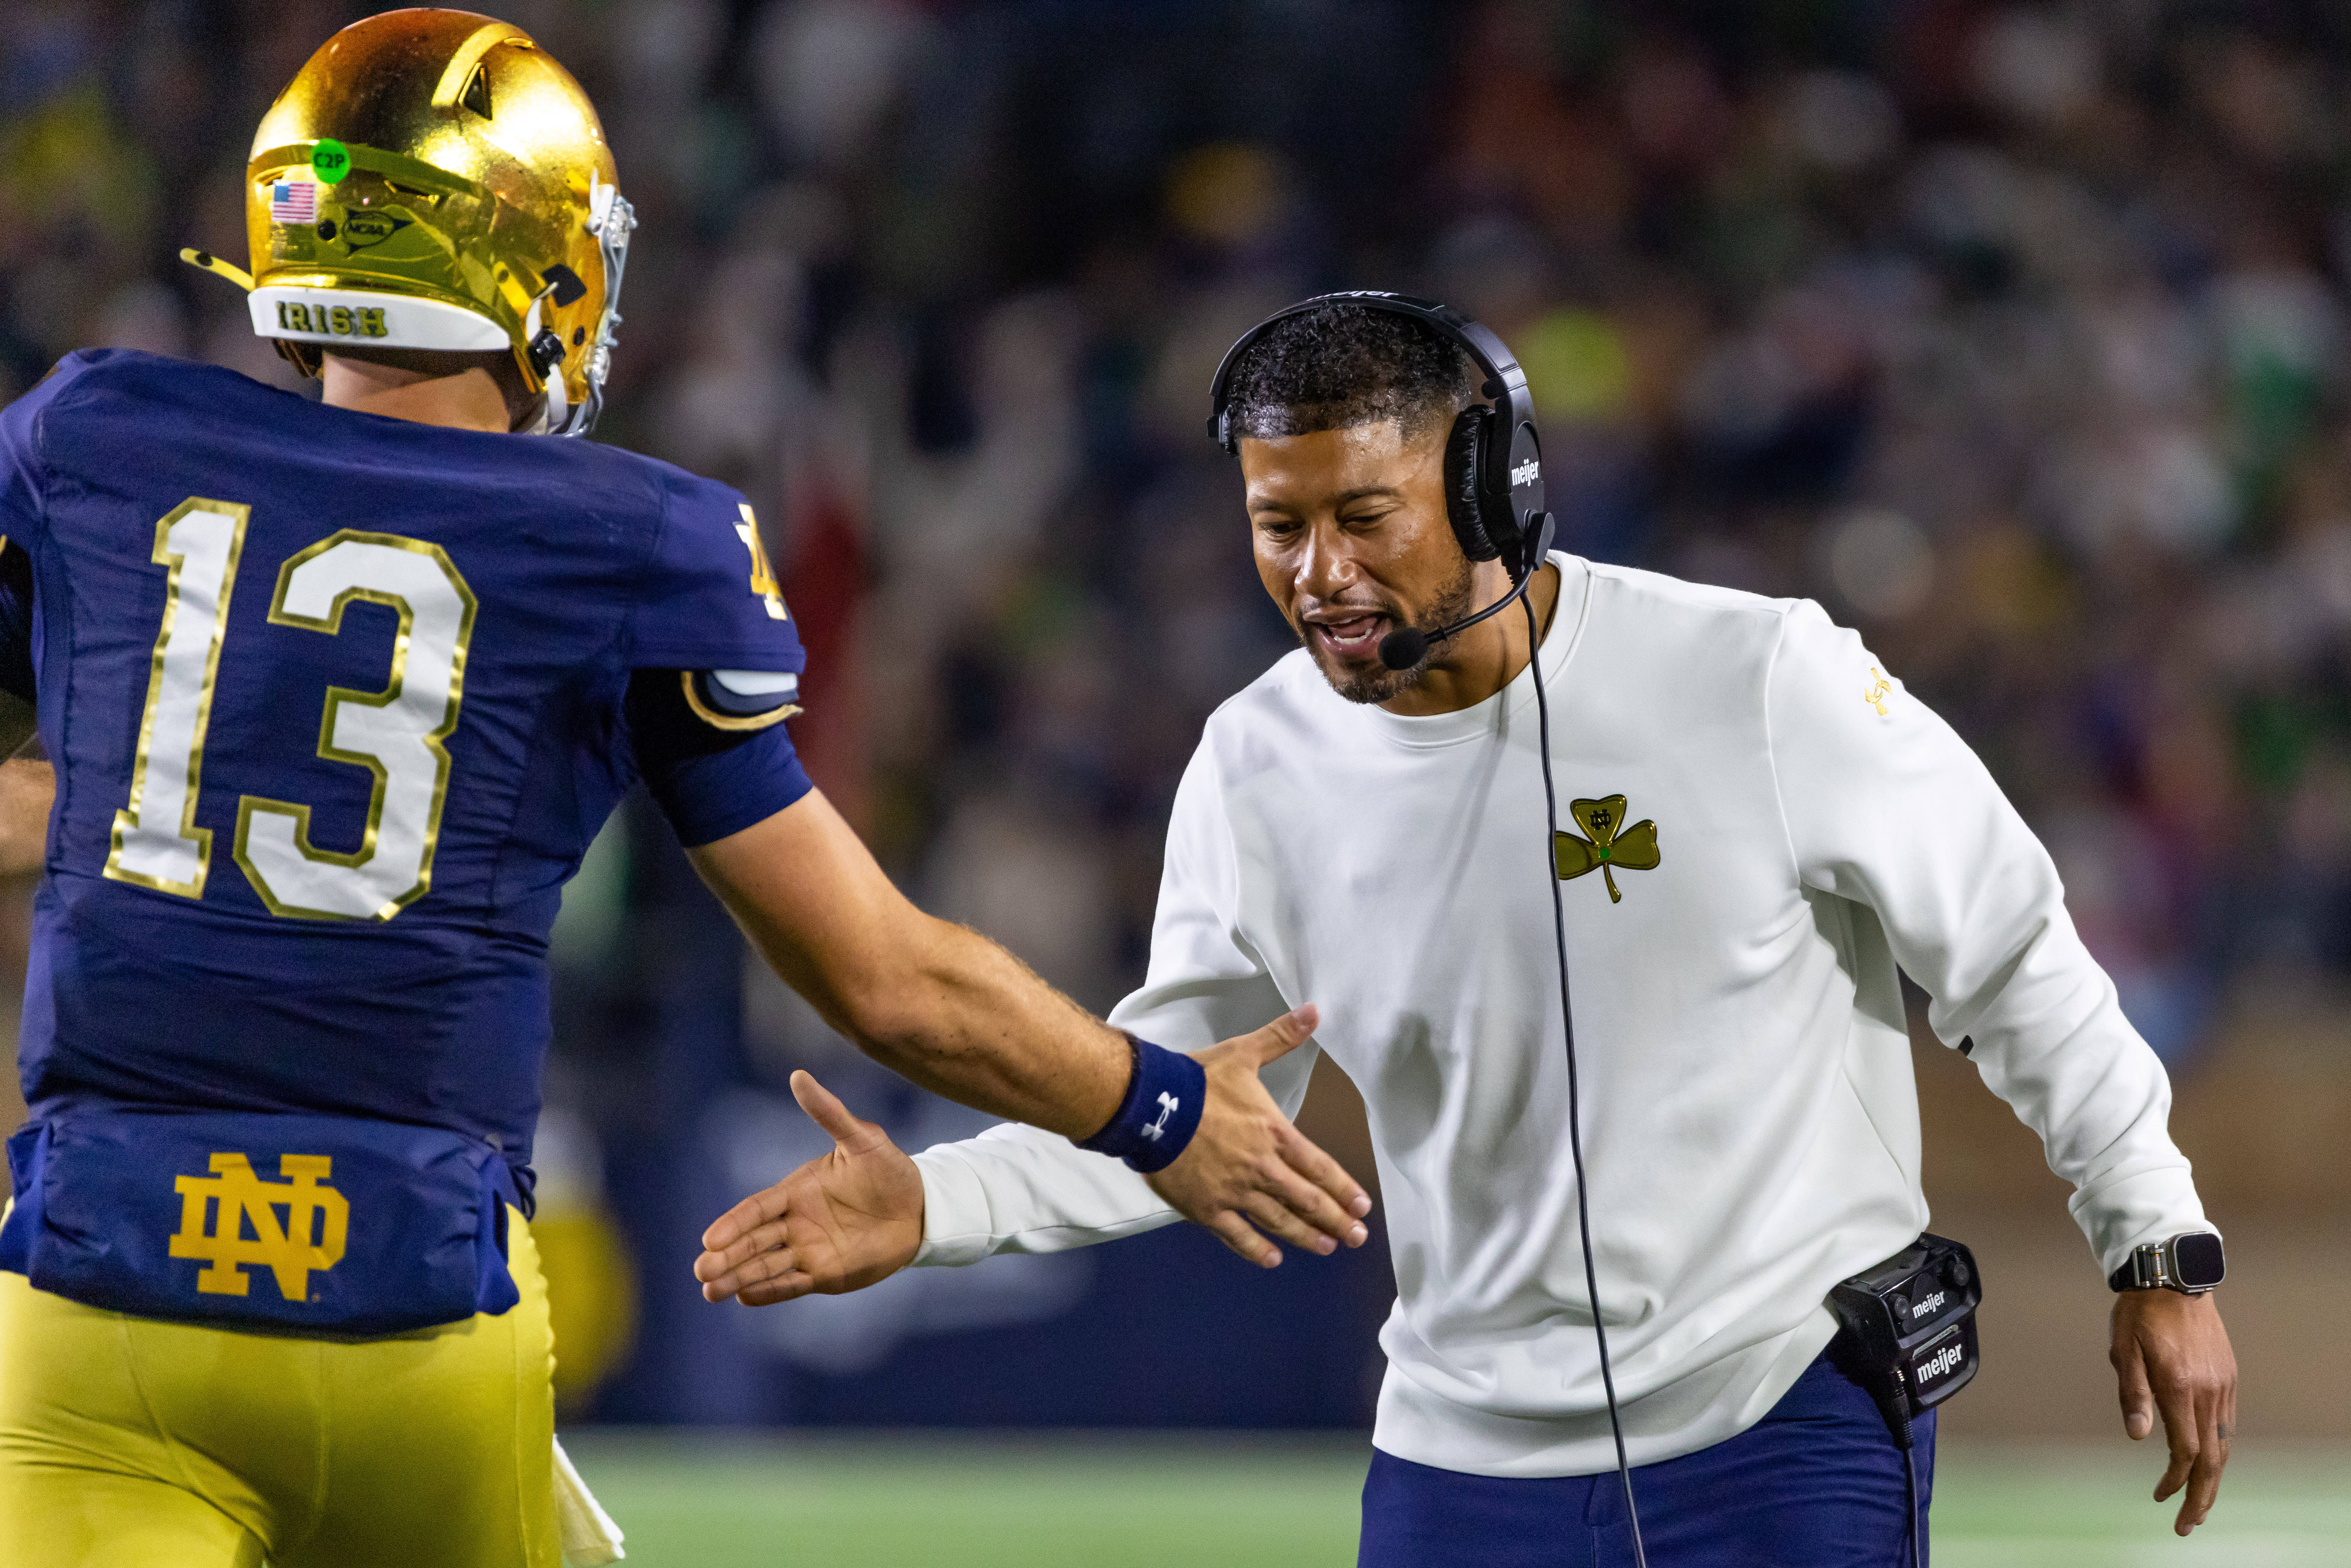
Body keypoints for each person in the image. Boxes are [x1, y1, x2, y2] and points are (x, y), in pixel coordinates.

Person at [0, 15, 1367, 1568]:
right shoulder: (626, 536)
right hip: (407, 1308)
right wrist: (1159, 1103)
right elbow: (885, 978)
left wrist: (100, 801)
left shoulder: (99, 439)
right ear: (532, 264)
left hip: (95, 1301)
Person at [694, 295, 2238, 1566]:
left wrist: (2154, 1241)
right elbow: (1184, 1099)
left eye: (1364, 516)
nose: (1319, 573)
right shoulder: (1255, 762)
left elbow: (2017, 953)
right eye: (1277, 525)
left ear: (1495, 487)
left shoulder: (1754, 677)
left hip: (1785, 1421)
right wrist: (937, 1203)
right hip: (1460, 1463)